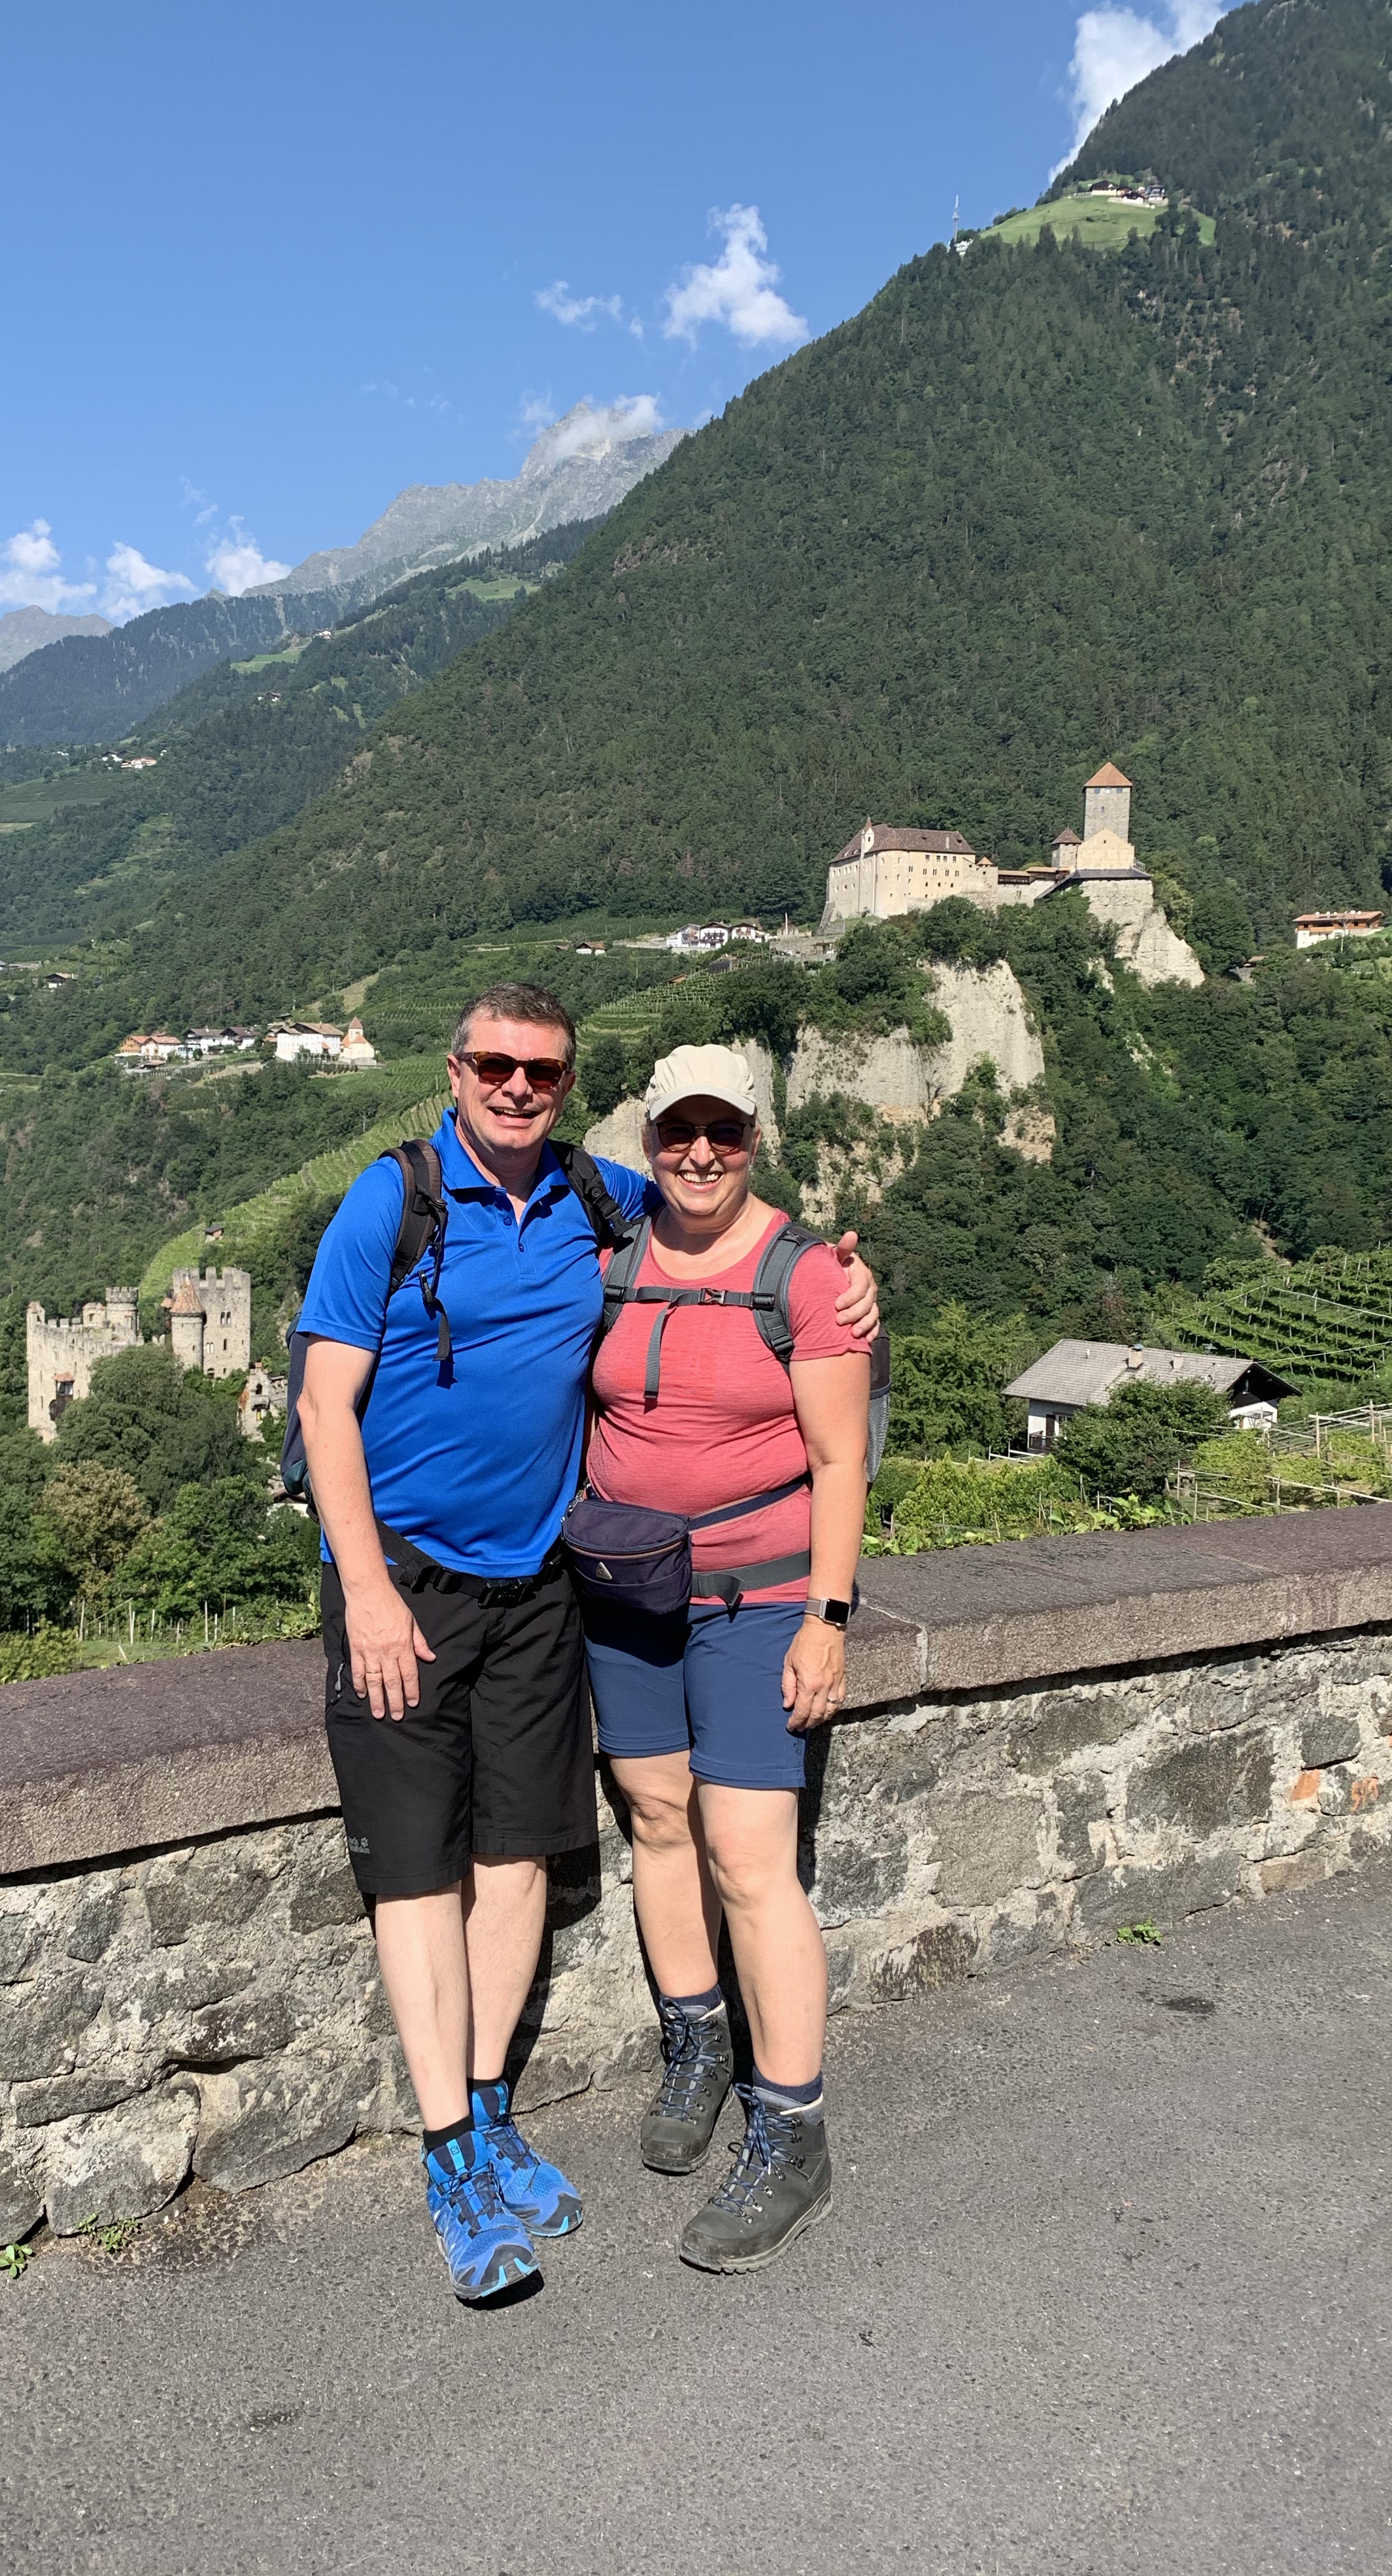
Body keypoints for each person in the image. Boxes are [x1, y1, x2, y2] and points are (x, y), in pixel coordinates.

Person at [294, 986, 879, 2303]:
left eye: (543, 1072)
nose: (518, 1086)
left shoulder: (594, 1195)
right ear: (455, 1071)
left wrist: (847, 1284)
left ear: (568, 1088)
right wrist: (368, 1591)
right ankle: (454, 2153)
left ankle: (531, 2115)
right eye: (495, 1064)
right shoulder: (393, 1202)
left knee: (520, 1860)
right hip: (413, 1589)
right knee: (427, 1876)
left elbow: (742, 1248)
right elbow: (325, 1407)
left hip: (556, 1590)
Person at [579, 1042, 871, 2274]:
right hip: (629, 1588)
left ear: (756, 1138)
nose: (700, 1153)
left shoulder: (807, 1275)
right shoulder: (610, 1252)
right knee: (657, 1817)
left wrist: (829, 1617)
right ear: (647, 1139)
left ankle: (792, 2130)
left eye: (725, 1132)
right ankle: (699, 2042)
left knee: (751, 1858)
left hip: (762, 1598)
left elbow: (842, 1460)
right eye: (678, 1132)